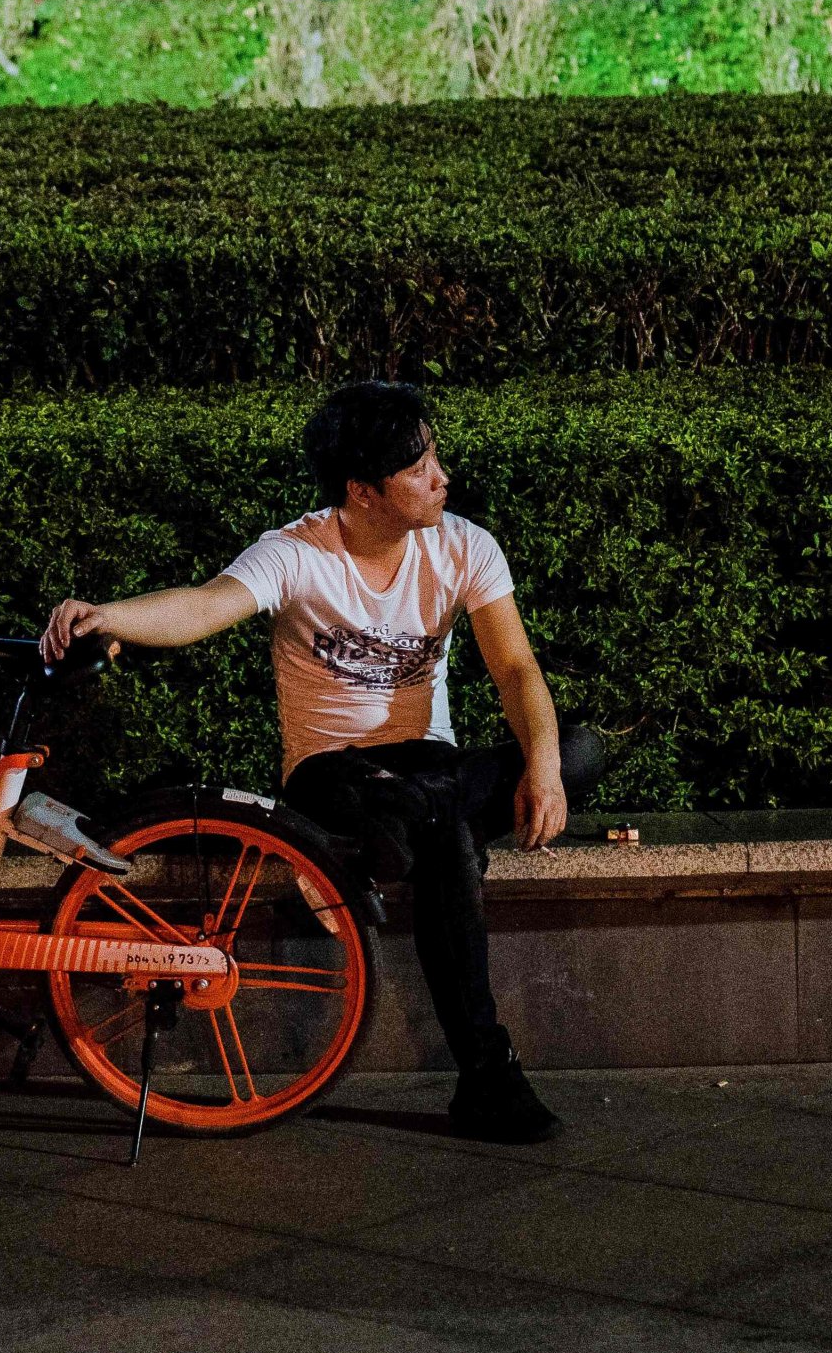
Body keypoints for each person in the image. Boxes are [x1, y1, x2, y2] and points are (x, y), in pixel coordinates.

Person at [37, 379, 608, 1144]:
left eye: (434, 456)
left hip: (424, 772)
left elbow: (514, 670)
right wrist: (108, 616)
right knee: (446, 838)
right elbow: (205, 605)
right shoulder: (298, 553)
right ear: (363, 492)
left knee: (578, 750)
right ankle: (486, 1075)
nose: (442, 477)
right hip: (334, 775)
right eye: (419, 468)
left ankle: (413, 835)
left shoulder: (463, 545)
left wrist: (540, 767)